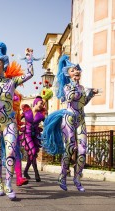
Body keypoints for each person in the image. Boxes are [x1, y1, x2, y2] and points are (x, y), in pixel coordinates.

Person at [0, 42, 34, 200]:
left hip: (10, 122)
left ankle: (9, 184)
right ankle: (0, 184)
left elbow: (30, 74)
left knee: (10, 152)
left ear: (4, 65)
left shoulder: (12, 82)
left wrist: (29, 59)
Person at [42, 55, 99, 192]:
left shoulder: (82, 87)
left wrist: (90, 94)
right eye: (73, 70)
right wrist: (73, 85)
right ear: (68, 74)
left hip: (81, 119)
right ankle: (62, 176)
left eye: (78, 70)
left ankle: (77, 178)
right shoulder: (67, 86)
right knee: (70, 148)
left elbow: (82, 103)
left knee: (83, 150)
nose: (77, 72)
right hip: (69, 119)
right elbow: (69, 98)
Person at [20, 96, 45, 182]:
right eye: (41, 103)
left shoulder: (41, 116)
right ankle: (36, 173)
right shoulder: (26, 112)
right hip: (27, 135)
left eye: (43, 104)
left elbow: (48, 123)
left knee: (32, 154)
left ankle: (26, 172)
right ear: (35, 103)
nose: (42, 105)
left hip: (35, 136)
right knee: (33, 152)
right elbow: (17, 120)